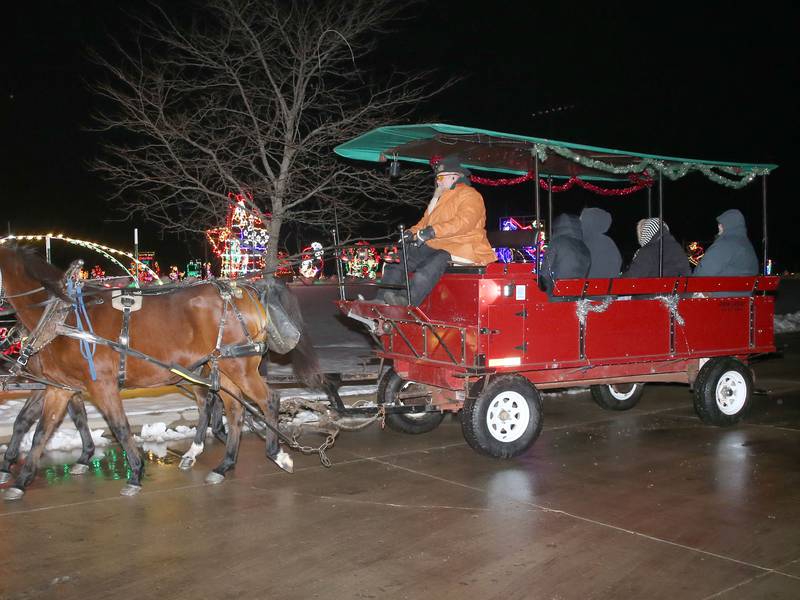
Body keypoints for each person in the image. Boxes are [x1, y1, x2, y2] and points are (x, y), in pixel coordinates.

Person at [376, 156, 496, 306]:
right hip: (438, 244)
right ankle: (382, 299)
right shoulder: (439, 199)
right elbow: (424, 223)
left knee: (436, 260)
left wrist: (433, 231)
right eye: (436, 178)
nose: (437, 181)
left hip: (463, 247)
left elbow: (464, 222)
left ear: (454, 176)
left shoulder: (470, 195)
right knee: (401, 256)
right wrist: (410, 233)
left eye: (440, 177)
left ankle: (406, 301)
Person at [693, 209, 758, 276]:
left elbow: (701, 274)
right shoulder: (747, 245)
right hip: (744, 286)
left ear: (727, 225)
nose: (718, 226)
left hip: (723, 286)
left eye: (720, 224)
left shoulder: (724, 245)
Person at [539, 213, 591, 294]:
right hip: (577, 294)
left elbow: (546, 271)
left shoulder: (556, 242)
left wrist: (545, 291)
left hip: (557, 295)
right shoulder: (584, 247)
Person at [623, 217, 690, 278]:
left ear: (645, 234)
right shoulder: (678, 249)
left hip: (655, 290)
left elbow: (632, 277)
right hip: (678, 290)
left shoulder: (648, 251)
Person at [580, 207, 622, 278]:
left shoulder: (586, 243)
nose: (579, 224)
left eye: (582, 220)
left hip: (587, 287)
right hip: (607, 288)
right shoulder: (610, 244)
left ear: (589, 222)